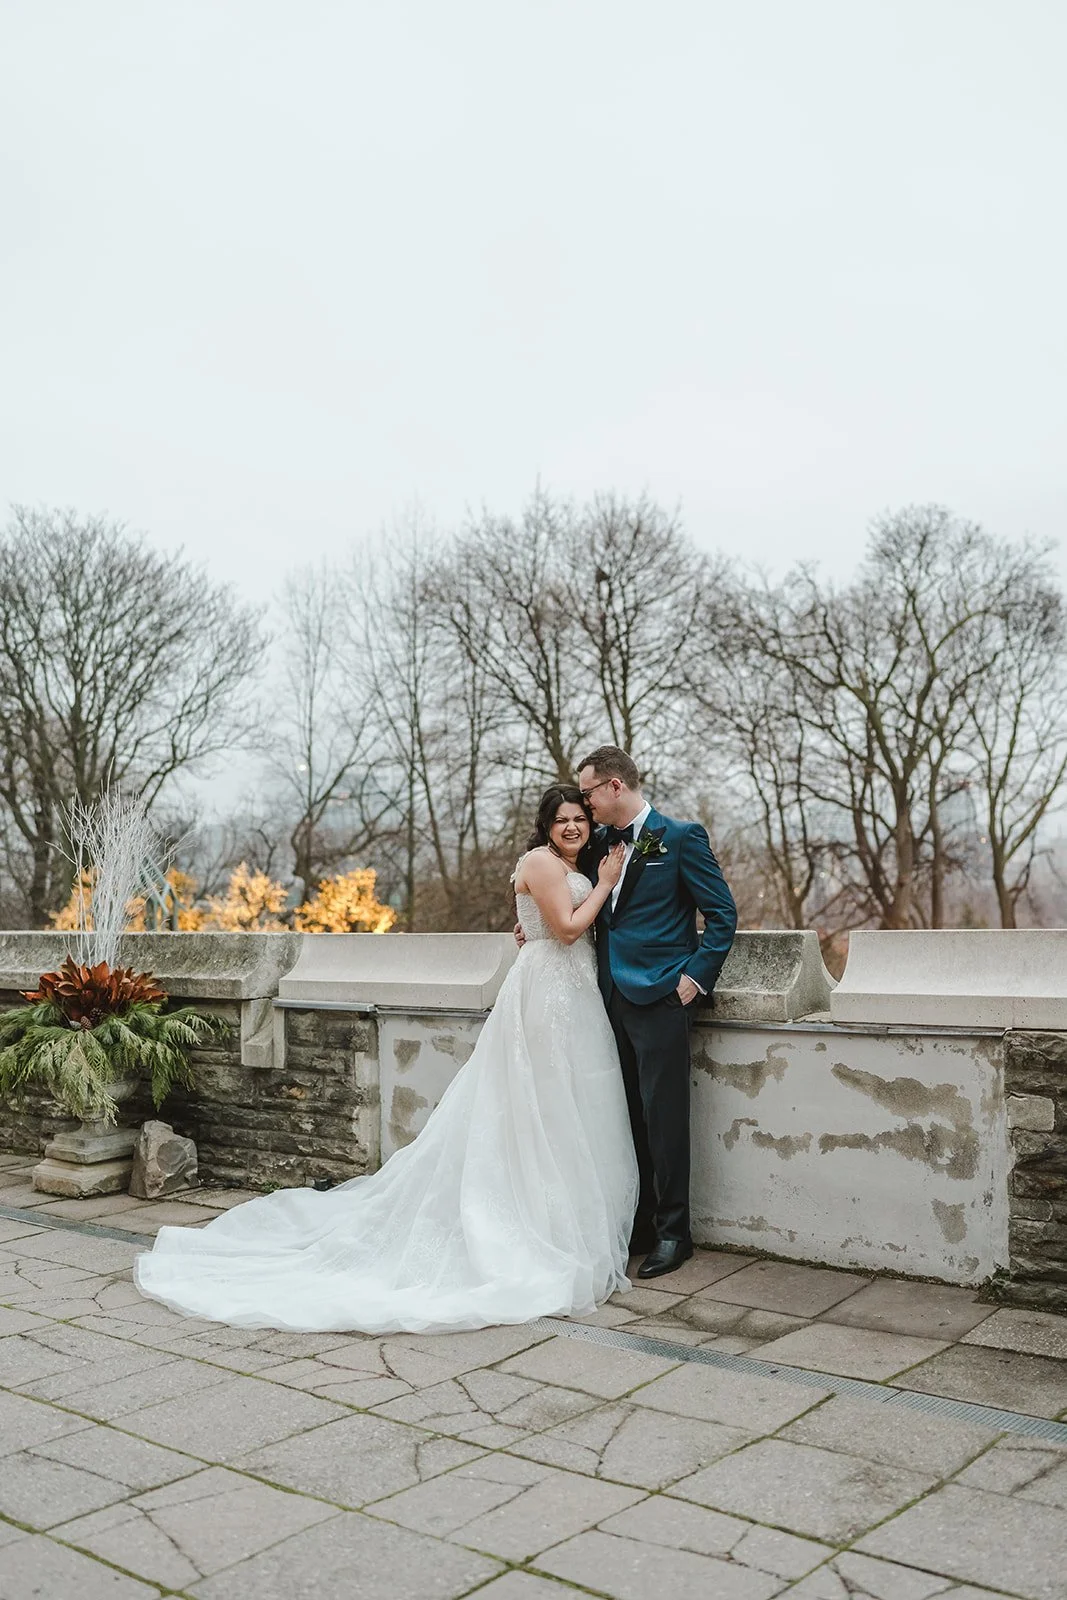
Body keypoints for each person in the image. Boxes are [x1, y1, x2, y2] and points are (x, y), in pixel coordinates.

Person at [134, 786, 638, 1334]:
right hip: (547, 997)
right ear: (545, 826)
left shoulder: (566, 864)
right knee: (540, 1107)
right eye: (561, 819)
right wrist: (605, 883)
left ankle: (564, 1225)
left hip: (573, 994)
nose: (572, 827)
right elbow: (565, 928)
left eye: (578, 819)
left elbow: (552, 925)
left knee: (565, 1110)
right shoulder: (543, 861)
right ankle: (536, 1229)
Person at [576, 745, 737, 1280]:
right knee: (624, 1117)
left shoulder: (682, 838)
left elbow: (722, 915)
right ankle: (641, 1224)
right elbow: (578, 903)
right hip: (607, 999)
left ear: (615, 787)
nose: (585, 803)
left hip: (663, 997)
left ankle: (674, 1233)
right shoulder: (597, 842)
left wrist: (694, 980)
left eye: (589, 792)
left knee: (665, 1118)